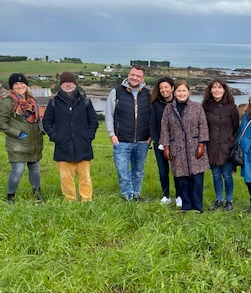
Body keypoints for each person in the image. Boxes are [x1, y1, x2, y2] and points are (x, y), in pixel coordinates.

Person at [42, 72, 99, 201]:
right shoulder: (53, 103)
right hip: (63, 146)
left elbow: (93, 121)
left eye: (71, 82)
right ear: (61, 84)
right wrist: (55, 137)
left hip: (83, 145)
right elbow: (47, 122)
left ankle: (86, 200)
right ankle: (70, 201)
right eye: (65, 82)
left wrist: (88, 136)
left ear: (75, 84)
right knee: (65, 178)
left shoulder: (85, 102)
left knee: (85, 177)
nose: (68, 84)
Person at [159, 81, 209, 212]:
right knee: (182, 180)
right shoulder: (168, 109)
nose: (181, 94)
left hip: (195, 148)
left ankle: (197, 207)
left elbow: (203, 126)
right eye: (179, 91)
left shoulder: (197, 107)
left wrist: (202, 144)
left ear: (189, 92)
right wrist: (166, 147)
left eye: (184, 91)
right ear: (174, 92)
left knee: (197, 180)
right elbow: (164, 128)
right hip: (178, 148)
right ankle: (186, 206)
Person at [104, 65, 151, 201]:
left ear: (142, 78)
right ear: (128, 75)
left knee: (138, 171)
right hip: (122, 141)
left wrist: (150, 138)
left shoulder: (148, 94)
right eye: (132, 75)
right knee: (123, 172)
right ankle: (128, 196)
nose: (134, 78)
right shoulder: (116, 92)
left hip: (142, 141)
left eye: (138, 76)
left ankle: (137, 194)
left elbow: (152, 117)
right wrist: (112, 134)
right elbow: (108, 114)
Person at [0, 73, 45, 204]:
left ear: (26, 84)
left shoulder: (32, 100)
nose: (20, 86)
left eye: (22, 83)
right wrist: (18, 134)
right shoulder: (7, 101)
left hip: (34, 142)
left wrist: (41, 129)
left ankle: (37, 195)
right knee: (17, 172)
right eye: (16, 84)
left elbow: (37, 119)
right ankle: (10, 197)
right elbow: (2, 123)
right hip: (17, 143)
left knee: (35, 171)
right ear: (12, 87)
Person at [203, 78, 239, 212]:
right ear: (210, 90)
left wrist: (228, 139)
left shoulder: (232, 108)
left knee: (227, 175)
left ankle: (229, 200)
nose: (217, 90)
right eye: (214, 87)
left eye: (219, 87)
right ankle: (219, 200)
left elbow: (235, 127)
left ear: (224, 90)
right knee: (216, 175)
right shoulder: (206, 107)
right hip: (212, 146)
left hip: (227, 147)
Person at [149, 77, 181, 206]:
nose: (164, 90)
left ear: (172, 88)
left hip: (177, 143)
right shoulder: (155, 104)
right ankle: (166, 195)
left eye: (166, 87)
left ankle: (179, 195)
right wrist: (158, 142)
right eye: (161, 88)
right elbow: (152, 124)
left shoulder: (179, 103)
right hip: (160, 143)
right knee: (163, 171)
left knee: (178, 171)